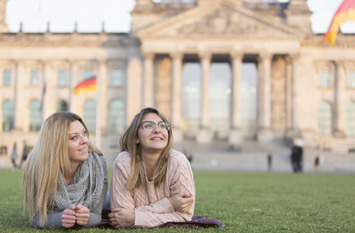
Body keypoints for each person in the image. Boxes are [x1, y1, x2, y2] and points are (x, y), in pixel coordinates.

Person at [109, 107, 195, 228]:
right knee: (106, 202)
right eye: (148, 126)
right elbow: (121, 218)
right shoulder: (123, 162)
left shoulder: (178, 162)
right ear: (136, 137)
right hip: (110, 200)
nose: (157, 130)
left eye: (162, 125)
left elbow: (184, 216)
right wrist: (170, 203)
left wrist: (135, 218)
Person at [22, 112, 109, 228]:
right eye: (74, 137)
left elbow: (97, 215)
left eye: (84, 133)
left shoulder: (99, 164)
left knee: (110, 201)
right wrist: (60, 218)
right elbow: (38, 217)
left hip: (107, 201)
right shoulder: (37, 167)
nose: (85, 141)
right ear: (57, 144)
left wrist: (86, 217)